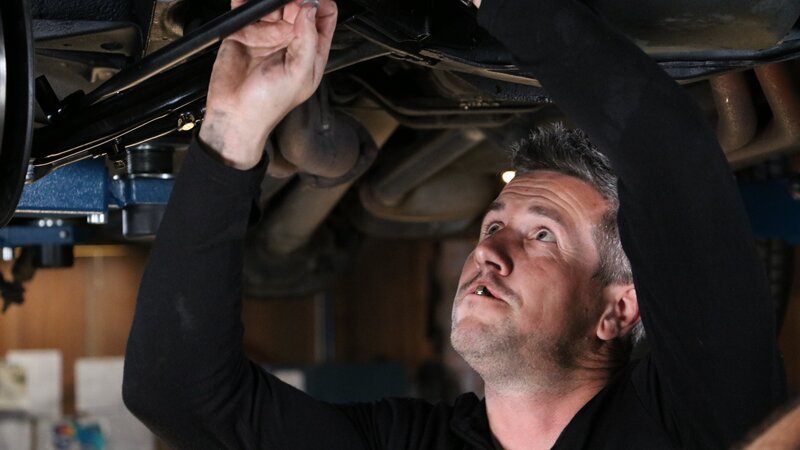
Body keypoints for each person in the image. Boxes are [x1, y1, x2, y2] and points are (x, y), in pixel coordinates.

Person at [122, 0, 788, 447]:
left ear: (618, 309)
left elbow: (175, 399)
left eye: (541, 234)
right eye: (492, 226)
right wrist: (234, 127)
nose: (488, 252)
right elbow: (183, 395)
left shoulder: (697, 424)